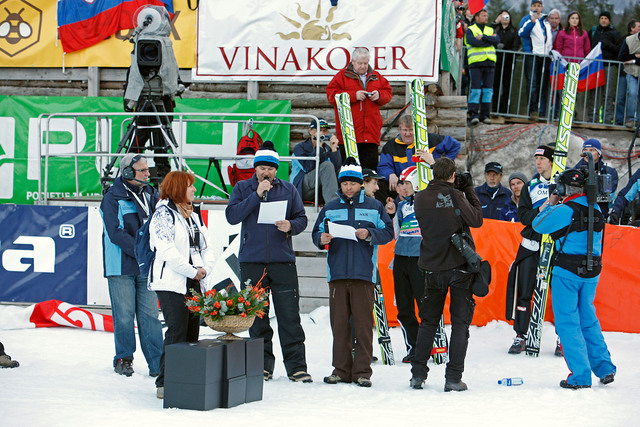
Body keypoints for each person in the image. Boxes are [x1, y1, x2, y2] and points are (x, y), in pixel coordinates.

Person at [225, 141, 312, 383]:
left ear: (276, 170)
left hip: (282, 262)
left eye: (270, 168)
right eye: (262, 168)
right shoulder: (243, 188)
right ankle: (262, 366)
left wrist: (291, 226)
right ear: (255, 169)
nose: (266, 172)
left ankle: (296, 367)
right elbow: (232, 216)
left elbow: (302, 218)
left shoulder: (288, 189)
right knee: (258, 318)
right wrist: (256, 195)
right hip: (252, 262)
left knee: (289, 317)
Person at [312, 158, 393, 388]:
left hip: (363, 274)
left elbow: (388, 232)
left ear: (360, 184)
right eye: (345, 183)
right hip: (337, 274)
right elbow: (316, 232)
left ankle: (362, 372)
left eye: (353, 184)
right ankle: (341, 370)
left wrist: (368, 234)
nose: (348, 187)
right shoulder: (330, 207)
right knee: (339, 325)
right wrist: (321, 238)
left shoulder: (373, 206)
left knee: (363, 325)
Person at [532, 169, 616, 389]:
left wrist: (551, 202)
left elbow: (538, 225)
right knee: (588, 320)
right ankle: (605, 368)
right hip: (591, 274)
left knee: (568, 323)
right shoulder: (596, 209)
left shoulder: (565, 209)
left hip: (566, 273)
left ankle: (580, 376)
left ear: (563, 189)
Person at [409, 157, 482, 392]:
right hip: (459, 266)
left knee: (428, 323)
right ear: (452, 175)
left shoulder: (419, 197)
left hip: (431, 267)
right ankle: (453, 378)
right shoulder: (455, 195)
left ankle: (418, 375)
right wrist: (467, 188)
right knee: (460, 324)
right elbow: (476, 219)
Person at [148, 171, 215, 399]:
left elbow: (207, 246)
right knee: (177, 329)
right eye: (190, 186)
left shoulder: (193, 214)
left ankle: (186, 377)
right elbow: (167, 251)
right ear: (178, 188)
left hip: (194, 279)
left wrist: (206, 268)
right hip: (170, 281)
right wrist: (193, 271)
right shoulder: (163, 215)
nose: (194, 190)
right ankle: (165, 381)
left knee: (193, 331)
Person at [99, 153, 163, 378]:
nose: (148, 173)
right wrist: (141, 251)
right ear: (127, 173)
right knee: (124, 316)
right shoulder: (112, 197)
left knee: (150, 316)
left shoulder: (150, 192)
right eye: (143, 170)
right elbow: (115, 233)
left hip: (145, 265)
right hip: (121, 265)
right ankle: (123, 358)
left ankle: (159, 363)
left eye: (147, 169)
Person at [505, 145, 561, 355]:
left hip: (555, 247)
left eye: (542, 158)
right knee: (525, 291)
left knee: (558, 294)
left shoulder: (561, 183)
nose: (538, 162)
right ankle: (521, 334)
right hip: (531, 246)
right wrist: (541, 208)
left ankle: (560, 338)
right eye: (536, 158)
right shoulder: (530, 186)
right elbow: (524, 218)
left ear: (551, 161)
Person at [326, 47, 393, 171]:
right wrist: (353, 96)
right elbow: (331, 96)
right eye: (360, 63)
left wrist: (379, 95)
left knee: (369, 172)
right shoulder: (341, 76)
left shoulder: (376, 76)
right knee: (348, 172)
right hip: (348, 135)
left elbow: (388, 94)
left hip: (370, 135)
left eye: (366, 63)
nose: (363, 66)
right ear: (352, 62)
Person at [377, 114, 460, 200]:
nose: (408, 134)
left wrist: (442, 165)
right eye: (405, 130)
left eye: (411, 130)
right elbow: (383, 167)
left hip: (429, 186)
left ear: (416, 129)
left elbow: (455, 145)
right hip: (404, 190)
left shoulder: (428, 140)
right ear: (399, 129)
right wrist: (390, 174)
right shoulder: (390, 146)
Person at [391, 166, 424, 363]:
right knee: (404, 307)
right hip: (401, 259)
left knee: (424, 305)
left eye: (407, 184)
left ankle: (430, 344)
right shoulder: (401, 206)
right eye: (401, 184)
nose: (403, 188)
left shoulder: (427, 203)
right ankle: (413, 346)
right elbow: (396, 231)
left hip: (421, 260)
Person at [291, 118, 341, 204]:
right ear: (310, 131)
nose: (322, 133)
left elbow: (336, 171)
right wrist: (319, 148)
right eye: (319, 130)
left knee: (339, 170)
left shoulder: (326, 148)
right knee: (327, 166)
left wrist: (334, 150)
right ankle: (333, 205)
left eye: (324, 131)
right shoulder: (300, 147)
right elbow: (307, 167)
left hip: (318, 189)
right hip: (300, 189)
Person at [465, 9, 500, 125]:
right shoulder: (471, 30)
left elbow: (497, 40)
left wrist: (484, 37)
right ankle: (473, 114)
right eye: (484, 16)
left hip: (489, 63)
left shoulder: (490, 29)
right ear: (477, 17)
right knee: (475, 90)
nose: (487, 18)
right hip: (476, 64)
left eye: (487, 15)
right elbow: (472, 42)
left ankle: (485, 115)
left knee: (488, 90)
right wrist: (488, 41)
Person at [553, 11, 590, 122]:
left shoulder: (583, 33)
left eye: (576, 18)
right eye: (572, 18)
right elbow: (558, 49)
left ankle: (574, 115)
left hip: (579, 66)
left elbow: (587, 49)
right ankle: (563, 114)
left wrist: (586, 62)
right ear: (568, 20)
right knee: (564, 91)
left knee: (576, 92)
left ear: (579, 20)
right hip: (565, 66)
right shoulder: (563, 33)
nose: (574, 20)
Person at [519, 0, 553, 120]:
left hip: (544, 56)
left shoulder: (546, 21)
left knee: (542, 85)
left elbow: (548, 39)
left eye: (539, 6)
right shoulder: (527, 19)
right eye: (535, 6)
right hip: (532, 55)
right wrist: (532, 22)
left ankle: (542, 110)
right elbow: (522, 33)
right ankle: (532, 110)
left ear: (542, 7)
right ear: (531, 7)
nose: (537, 8)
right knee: (532, 83)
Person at [589, 11, 623, 125]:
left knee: (607, 93)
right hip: (594, 66)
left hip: (608, 66)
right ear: (599, 19)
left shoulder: (615, 33)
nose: (603, 20)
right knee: (594, 92)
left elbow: (619, 49)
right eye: (602, 18)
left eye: (606, 18)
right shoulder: (594, 31)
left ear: (609, 20)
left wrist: (607, 44)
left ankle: (607, 118)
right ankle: (592, 117)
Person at [573, 139, 618, 218]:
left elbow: (609, 195)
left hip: (601, 213)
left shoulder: (609, 172)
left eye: (591, 150)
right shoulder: (575, 172)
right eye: (585, 150)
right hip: (578, 213)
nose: (587, 153)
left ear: (599, 154)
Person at [492, 9, 521, 114]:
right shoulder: (495, 29)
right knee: (495, 85)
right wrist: (495, 22)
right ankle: (494, 109)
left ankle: (505, 110)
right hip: (496, 61)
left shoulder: (514, 31)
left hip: (508, 62)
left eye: (507, 17)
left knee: (507, 86)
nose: (505, 19)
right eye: (503, 16)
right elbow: (487, 33)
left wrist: (508, 51)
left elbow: (516, 45)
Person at [615, 20, 640, 126]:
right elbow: (621, 57)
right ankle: (631, 119)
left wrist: (634, 60)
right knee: (632, 93)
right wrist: (635, 56)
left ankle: (638, 121)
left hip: (633, 67)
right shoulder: (629, 40)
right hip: (631, 72)